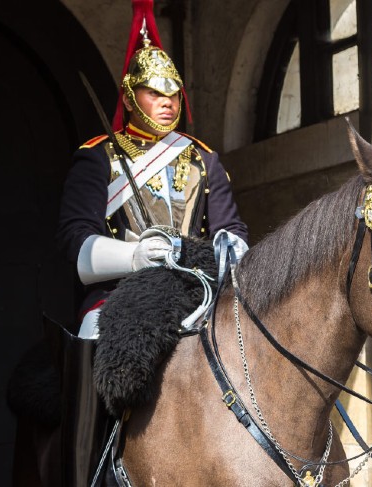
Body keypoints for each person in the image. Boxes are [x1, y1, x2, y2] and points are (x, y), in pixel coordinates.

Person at [56, 28, 248, 339]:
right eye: (154, 93)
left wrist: (229, 248)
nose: (167, 103)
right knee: (93, 336)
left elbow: (230, 228)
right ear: (130, 99)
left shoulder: (203, 158)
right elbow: (75, 238)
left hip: (197, 292)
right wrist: (133, 257)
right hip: (120, 292)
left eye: (172, 93)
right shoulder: (99, 157)